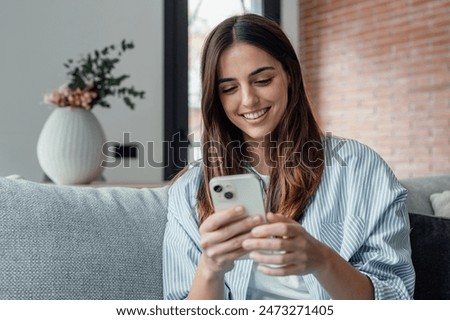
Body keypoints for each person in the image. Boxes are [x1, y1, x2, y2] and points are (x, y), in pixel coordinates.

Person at [163, 14, 415, 300]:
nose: (248, 100)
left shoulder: (359, 168)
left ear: (290, 76)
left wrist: (322, 260)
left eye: (262, 80)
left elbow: (395, 299)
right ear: (216, 98)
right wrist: (210, 268)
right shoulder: (189, 191)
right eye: (229, 88)